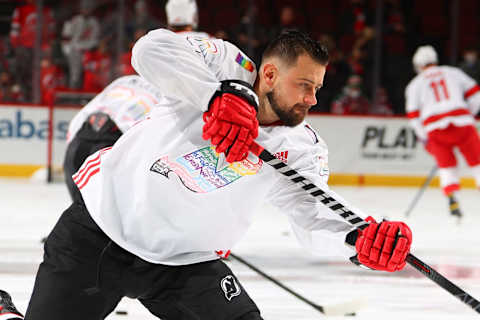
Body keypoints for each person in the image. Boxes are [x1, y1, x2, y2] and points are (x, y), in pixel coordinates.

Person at [5, 29, 412, 320]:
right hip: (98, 234)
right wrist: (216, 96)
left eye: (317, 88)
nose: (312, 98)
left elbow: (311, 212)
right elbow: (151, 49)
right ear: (268, 74)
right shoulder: (226, 64)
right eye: (304, 85)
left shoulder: (302, 146)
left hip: (185, 266)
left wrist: (356, 239)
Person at [63, 74, 165, 203]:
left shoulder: (124, 80)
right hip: (117, 140)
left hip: (83, 133)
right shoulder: (169, 92)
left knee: (82, 207)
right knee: (107, 210)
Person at [405, 45, 480, 218]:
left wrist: (424, 137)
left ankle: (451, 195)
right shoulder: (453, 72)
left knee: (446, 165)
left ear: (418, 65)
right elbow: (476, 94)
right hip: (462, 123)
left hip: (435, 129)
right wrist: (468, 113)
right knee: (477, 162)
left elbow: (413, 115)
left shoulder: (414, 84)